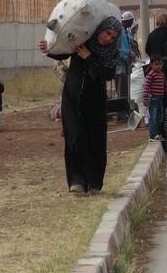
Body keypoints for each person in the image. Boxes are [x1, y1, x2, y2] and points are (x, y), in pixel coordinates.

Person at [38, 17, 122, 195]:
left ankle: (93, 182)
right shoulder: (82, 41)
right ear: (100, 30)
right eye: (108, 33)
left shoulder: (110, 53)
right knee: (74, 137)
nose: (109, 39)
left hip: (94, 101)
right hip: (72, 97)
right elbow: (64, 52)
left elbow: (106, 74)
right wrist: (48, 50)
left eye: (113, 37)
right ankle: (76, 180)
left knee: (94, 140)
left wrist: (90, 57)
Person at [144, 54, 167, 143]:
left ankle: (157, 133)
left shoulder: (161, 74)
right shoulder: (150, 75)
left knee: (160, 117)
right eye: (156, 64)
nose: (158, 66)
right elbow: (146, 87)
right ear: (151, 65)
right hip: (153, 99)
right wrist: (145, 98)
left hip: (160, 98)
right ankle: (152, 134)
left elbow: (166, 86)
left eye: (160, 64)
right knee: (153, 117)